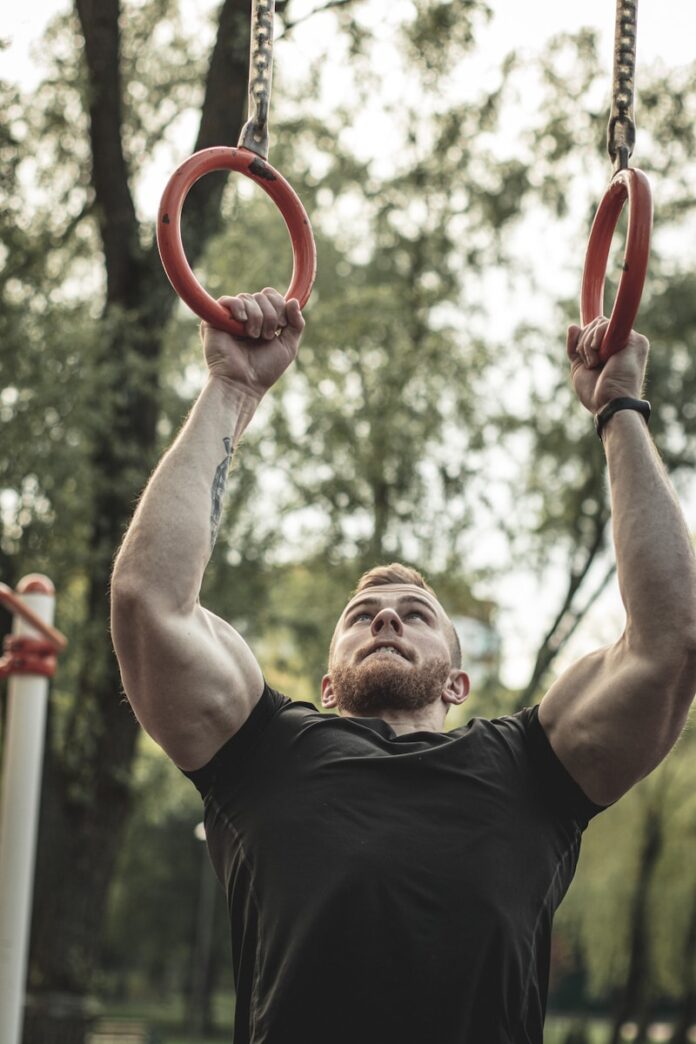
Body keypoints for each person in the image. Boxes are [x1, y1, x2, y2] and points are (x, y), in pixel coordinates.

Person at [110, 289, 696, 1044]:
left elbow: (671, 641)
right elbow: (148, 602)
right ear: (328, 685)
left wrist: (619, 408)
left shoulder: (533, 771)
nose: (385, 618)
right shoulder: (264, 754)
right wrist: (231, 388)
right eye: (361, 616)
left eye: (416, 614)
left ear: (458, 683)